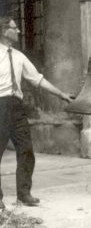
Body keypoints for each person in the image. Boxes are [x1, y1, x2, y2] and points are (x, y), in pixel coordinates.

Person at [0, 16, 74, 209]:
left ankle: (24, 194)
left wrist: (61, 94)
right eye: (14, 28)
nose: (19, 31)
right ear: (3, 31)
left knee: (26, 150)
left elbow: (37, 79)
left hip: (16, 106)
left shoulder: (18, 56)